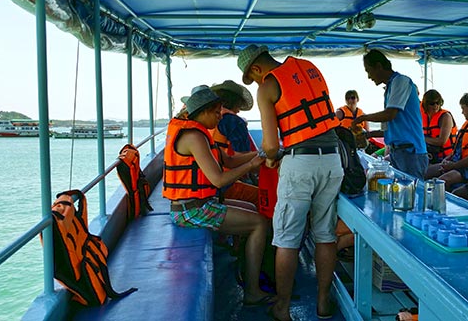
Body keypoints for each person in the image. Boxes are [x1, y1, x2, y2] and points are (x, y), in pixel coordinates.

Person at [238, 44, 343, 321]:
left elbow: (271, 145)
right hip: (333, 160)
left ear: (257, 69)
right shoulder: (310, 68)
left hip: (301, 164)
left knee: (286, 239)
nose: (257, 82)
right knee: (325, 235)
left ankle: (282, 307)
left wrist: (272, 158)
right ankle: (323, 303)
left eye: (254, 77)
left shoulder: (267, 86)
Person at [162, 85, 272, 307]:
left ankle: (246, 269)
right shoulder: (193, 136)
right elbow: (219, 180)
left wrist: (261, 154)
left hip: (198, 204)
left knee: (253, 211)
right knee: (260, 224)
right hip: (191, 211)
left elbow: (229, 162)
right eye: (216, 112)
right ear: (202, 112)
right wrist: (252, 164)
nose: (219, 117)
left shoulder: (200, 133)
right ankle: (252, 291)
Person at [353, 49, 428, 179]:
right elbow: (387, 130)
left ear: (378, 66)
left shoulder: (401, 81)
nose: (369, 76)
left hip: (411, 153)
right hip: (397, 152)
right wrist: (367, 135)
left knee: (413, 195)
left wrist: (363, 117)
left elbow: (390, 114)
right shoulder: (390, 88)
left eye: (368, 71)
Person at [421, 89, 457, 164]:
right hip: (428, 156)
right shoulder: (421, 117)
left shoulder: (445, 117)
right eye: (432, 103)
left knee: (426, 173)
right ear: (426, 104)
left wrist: (421, 139)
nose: (435, 106)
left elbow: (442, 141)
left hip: (445, 159)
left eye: (438, 103)